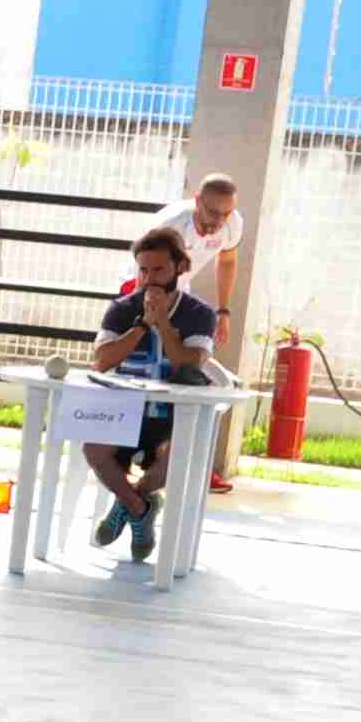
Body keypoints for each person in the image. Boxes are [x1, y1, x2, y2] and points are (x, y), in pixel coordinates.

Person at [84, 224, 219, 564]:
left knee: (179, 454)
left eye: (158, 269)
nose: (149, 278)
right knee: (93, 447)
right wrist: (143, 324)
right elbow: (101, 361)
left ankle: (128, 504)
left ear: (180, 267)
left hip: (174, 414)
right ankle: (140, 508)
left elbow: (189, 361)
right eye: (143, 269)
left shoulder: (200, 314)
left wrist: (163, 325)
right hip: (126, 408)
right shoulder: (122, 308)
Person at [138, 171, 247, 492]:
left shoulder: (232, 224)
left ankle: (194, 466)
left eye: (225, 214)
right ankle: (138, 457)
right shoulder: (171, 225)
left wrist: (223, 311)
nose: (218, 222)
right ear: (197, 201)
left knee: (205, 382)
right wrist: (155, 320)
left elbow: (227, 260)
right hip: (140, 291)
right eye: (212, 213)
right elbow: (145, 275)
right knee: (155, 380)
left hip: (179, 297)